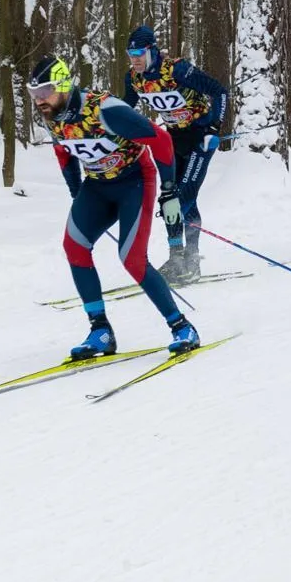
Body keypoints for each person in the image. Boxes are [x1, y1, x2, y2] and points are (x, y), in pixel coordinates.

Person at [30, 55, 200, 360]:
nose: (40, 100)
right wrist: (76, 192)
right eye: (34, 95)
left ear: (65, 85)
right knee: (75, 246)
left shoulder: (104, 109)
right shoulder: (53, 115)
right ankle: (101, 331)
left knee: (132, 258)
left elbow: (160, 140)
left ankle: (182, 327)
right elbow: (64, 152)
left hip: (135, 181)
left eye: (45, 91)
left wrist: (170, 190)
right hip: (97, 186)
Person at [122, 25, 228, 283]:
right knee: (169, 196)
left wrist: (214, 127)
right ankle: (176, 257)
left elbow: (219, 91)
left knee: (183, 198)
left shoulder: (176, 69)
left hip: (199, 138)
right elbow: (125, 108)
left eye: (139, 52)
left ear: (152, 50)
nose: (134, 58)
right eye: (130, 53)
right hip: (173, 139)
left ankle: (192, 261)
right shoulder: (134, 79)